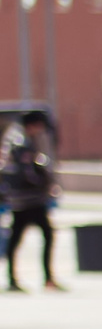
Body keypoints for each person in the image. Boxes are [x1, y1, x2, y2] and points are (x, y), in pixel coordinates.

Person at [3, 113, 61, 292]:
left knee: (17, 239)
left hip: (21, 199)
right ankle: (46, 278)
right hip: (30, 199)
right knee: (45, 235)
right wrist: (44, 182)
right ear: (34, 125)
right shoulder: (22, 143)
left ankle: (14, 278)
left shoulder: (15, 138)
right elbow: (27, 171)